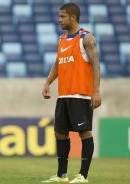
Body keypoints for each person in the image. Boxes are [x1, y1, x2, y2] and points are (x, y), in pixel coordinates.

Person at [41, 3, 101, 184]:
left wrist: (96, 91)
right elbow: (59, 62)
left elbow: (96, 65)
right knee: (60, 133)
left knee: (84, 132)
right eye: (60, 17)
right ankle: (62, 175)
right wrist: (48, 81)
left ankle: (83, 176)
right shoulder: (62, 38)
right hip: (64, 95)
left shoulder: (86, 38)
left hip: (81, 95)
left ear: (73, 17)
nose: (59, 20)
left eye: (62, 17)